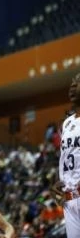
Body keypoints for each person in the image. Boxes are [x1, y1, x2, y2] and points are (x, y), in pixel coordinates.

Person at [53, 71, 80, 237]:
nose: (72, 85)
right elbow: (66, 158)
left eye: (77, 82)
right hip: (69, 200)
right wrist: (59, 181)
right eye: (71, 82)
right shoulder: (67, 123)